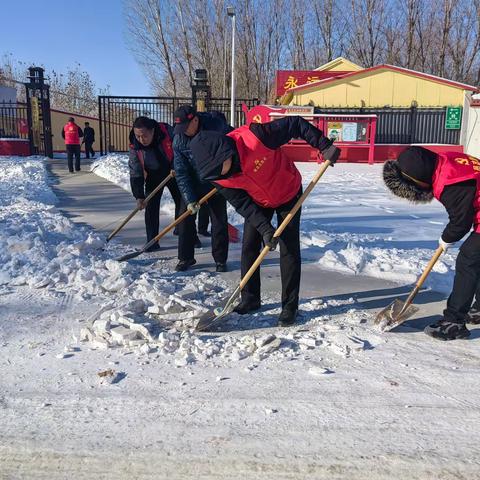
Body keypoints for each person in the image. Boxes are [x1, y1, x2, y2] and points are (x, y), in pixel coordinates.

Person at [190, 116, 340, 326]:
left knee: (288, 248)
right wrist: (265, 229)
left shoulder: (256, 137)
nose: (218, 173)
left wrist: (323, 145)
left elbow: (295, 123)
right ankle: (250, 299)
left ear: (225, 152)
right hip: (258, 201)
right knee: (249, 246)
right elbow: (242, 204)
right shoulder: (217, 176)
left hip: (288, 191)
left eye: (218, 168)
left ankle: (289, 306)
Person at [383, 146, 480, 340]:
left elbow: (460, 222)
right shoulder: (446, 160)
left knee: (468, 260)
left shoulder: (450, 182)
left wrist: (446, 238)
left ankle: (454, 322)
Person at [172, 105, 232, 272]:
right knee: (185, 217)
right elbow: (181, 172)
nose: (183, 131)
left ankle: (220, 259)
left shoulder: (216, 127)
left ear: (195, 120)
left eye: (186, 126)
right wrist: (190, 198)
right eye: (180, 127)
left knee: (219, 221)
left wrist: (224, 176)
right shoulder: (179, 139)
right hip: (193, 180)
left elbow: (232, 149)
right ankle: (186, 258)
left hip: (216, 179)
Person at [129, 116, 183, 252]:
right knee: (151, 206)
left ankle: (185, 233)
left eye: (144, 136)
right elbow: (135, 170)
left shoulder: (167, 132)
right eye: (138, 136)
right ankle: (152, 240)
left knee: (182, 202)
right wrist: (139, 196)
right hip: (154, 174)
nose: (141, 139)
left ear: (153, 131)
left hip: (173, 170)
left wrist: (178, 166)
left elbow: (181, 149)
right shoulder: (135, 144)